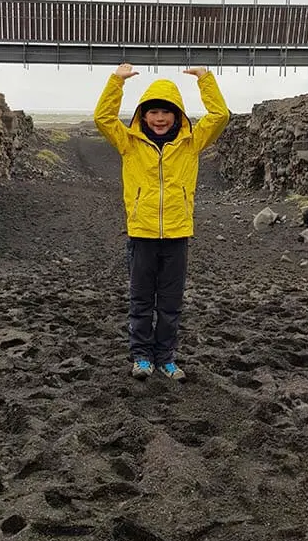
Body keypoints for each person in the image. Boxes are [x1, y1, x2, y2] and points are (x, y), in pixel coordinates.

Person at [94, 62, 230, 382]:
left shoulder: (191, 143)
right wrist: (116, 81)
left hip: (177, 235)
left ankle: (166, 358)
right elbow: (103, 118)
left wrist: (205, 79)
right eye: (152, 112)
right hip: (141, 234)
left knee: (170, 303)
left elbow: (220, 116)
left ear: (178, 115)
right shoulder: (128, 142)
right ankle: (141, 357)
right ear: (142, 115)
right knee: (141, 300)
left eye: (166, 112)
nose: (159, 118)